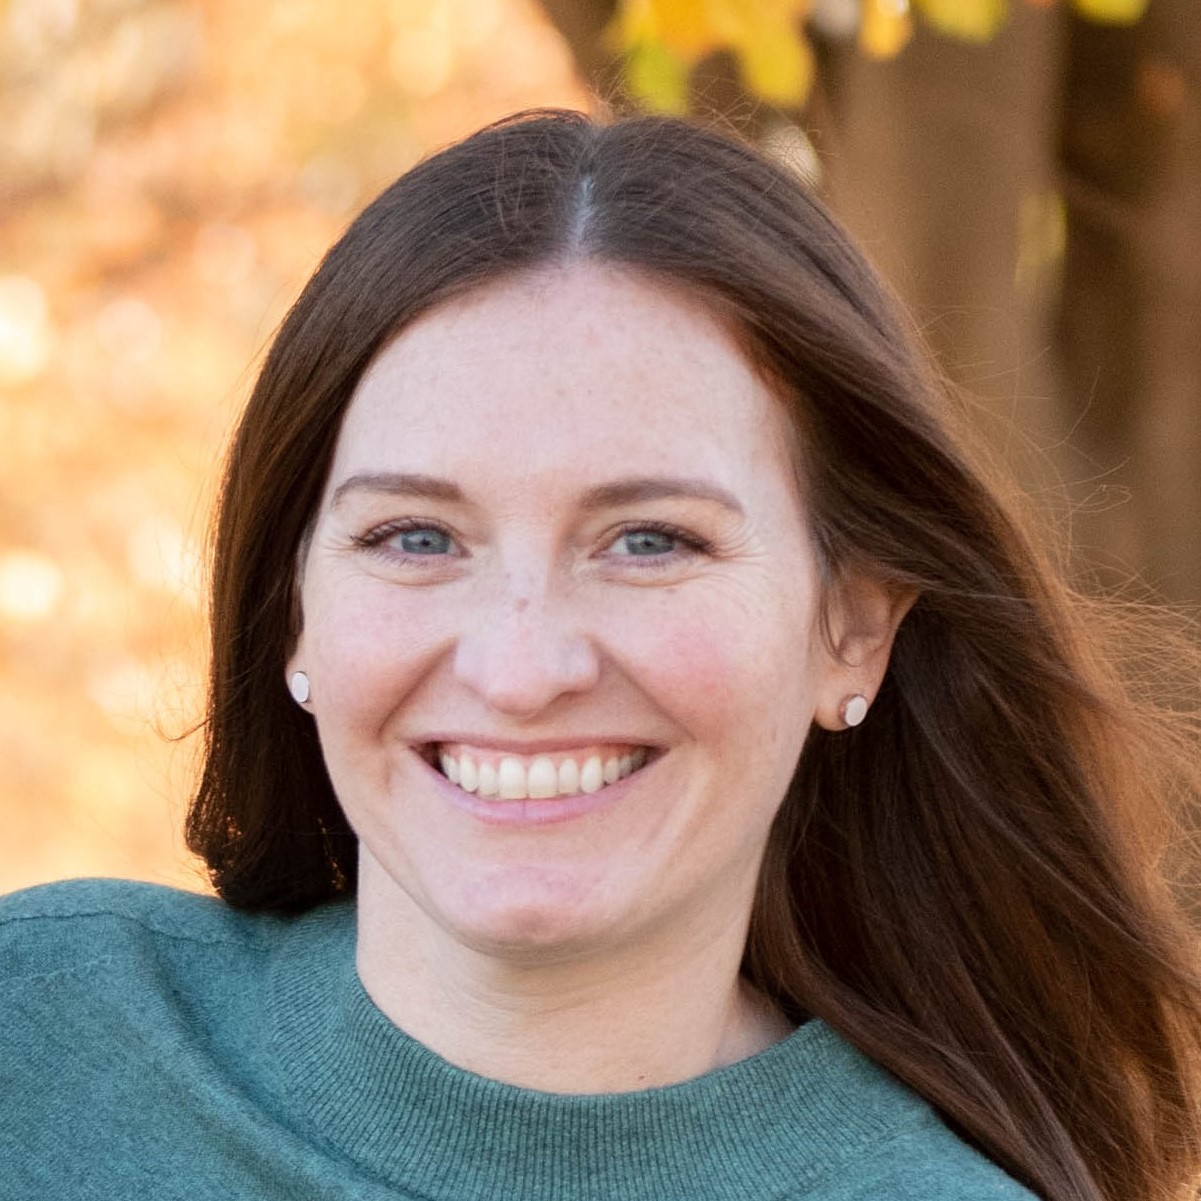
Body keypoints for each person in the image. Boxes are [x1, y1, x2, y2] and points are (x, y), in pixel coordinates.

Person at [1, 110, 1199, 1201]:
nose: (521, 669)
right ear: (295, 613)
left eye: (647, 540)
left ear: (853, 629)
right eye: (415, 536)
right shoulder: (42, 1042)